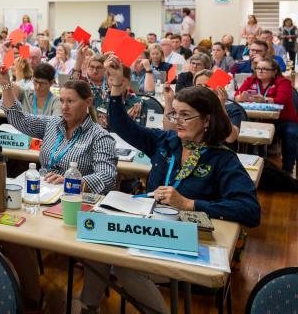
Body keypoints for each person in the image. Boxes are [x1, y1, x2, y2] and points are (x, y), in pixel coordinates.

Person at [77, 62, 261, 314]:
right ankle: (89, 308)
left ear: (207, 120)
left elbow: (250, 210)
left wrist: (190, 203)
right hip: (149, 226)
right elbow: (122, 126)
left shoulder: (221, 158)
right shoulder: (167, 142)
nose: (177, 121)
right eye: (174, 114)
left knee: (122, 265)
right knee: (95, 248)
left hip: (187, 237)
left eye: (186, 115)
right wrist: (117, 87)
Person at [0, 72, 117, 194]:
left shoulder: (100, 137)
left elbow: (107, 177)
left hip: (73, 197)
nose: (64, 107)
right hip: (43, 191)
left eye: (70, 101)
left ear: (88, 102)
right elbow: (19, 119)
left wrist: (71, 182)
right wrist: (5, 85)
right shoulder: (53, 123)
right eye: (62, 101)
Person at [236, 57, 298, 174]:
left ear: (274, 71)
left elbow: (281, 99)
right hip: (256, 120)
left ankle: (287, 170)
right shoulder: (250, 80)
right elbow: (237, 95)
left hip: (282, 121)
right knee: (238, 127)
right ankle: (246, 168)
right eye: (258, 68)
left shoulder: (283, 82)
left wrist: (264, 100)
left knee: (291, 133)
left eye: (264, 69)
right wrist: (240, 98)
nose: (260, 71)